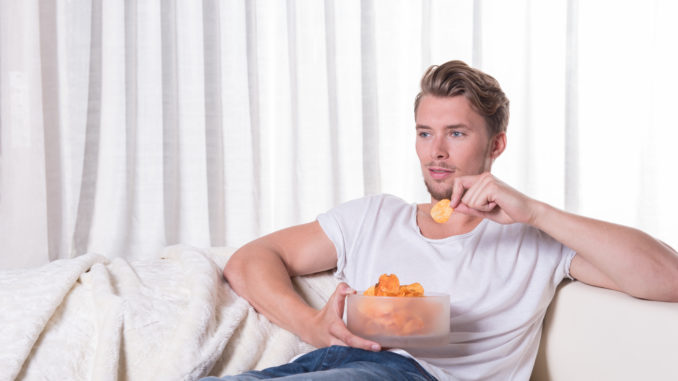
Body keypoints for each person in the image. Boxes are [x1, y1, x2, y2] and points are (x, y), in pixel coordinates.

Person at [204, 60, 678, 381]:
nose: (437, 151)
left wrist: (535, 211)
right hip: (328, 361)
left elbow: (668, 276)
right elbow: (251, 260)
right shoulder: (375, 216)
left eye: (456, 133)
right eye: (425, 133)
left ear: (496, 145)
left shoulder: (534, 239)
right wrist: (311, 324)